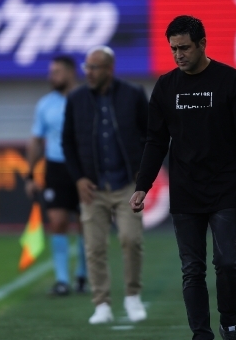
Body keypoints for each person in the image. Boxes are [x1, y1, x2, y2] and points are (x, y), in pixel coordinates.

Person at [129, 15, 236, 340]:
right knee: (192, 269)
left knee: (227, 262)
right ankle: (201, 334)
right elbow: (155, 141)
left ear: (202, 44)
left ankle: (228, 323)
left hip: (226, 188)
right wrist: (142, 186)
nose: (179, 55)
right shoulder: (165, 87)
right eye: (174, 49)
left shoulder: (231, 81)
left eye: (185, 47)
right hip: (185, 190)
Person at [62, 46, 149, 324]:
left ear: (109, 69)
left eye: (94, 67)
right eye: (86, 67)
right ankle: (101, 304)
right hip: (92, 186)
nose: (88, 72)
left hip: (127, 183)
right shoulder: (76, 99)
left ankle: (133, 296)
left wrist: (143, 172)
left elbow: (151, 134)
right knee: (94, 247)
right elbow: (67, 142)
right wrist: (78, 178)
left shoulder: (133, 94)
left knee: (131, 240)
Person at [25, 55, 87, 296]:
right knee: (57, 221)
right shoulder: (45, 104)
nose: (52, 77)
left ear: (71, 72)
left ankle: (82, 274)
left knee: (85, 223)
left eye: (57, 72)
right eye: (51, 72)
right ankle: (62, 280)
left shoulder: (86, 98)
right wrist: (30, 175)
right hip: (56, 168)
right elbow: (36, 140)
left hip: (83, 167)